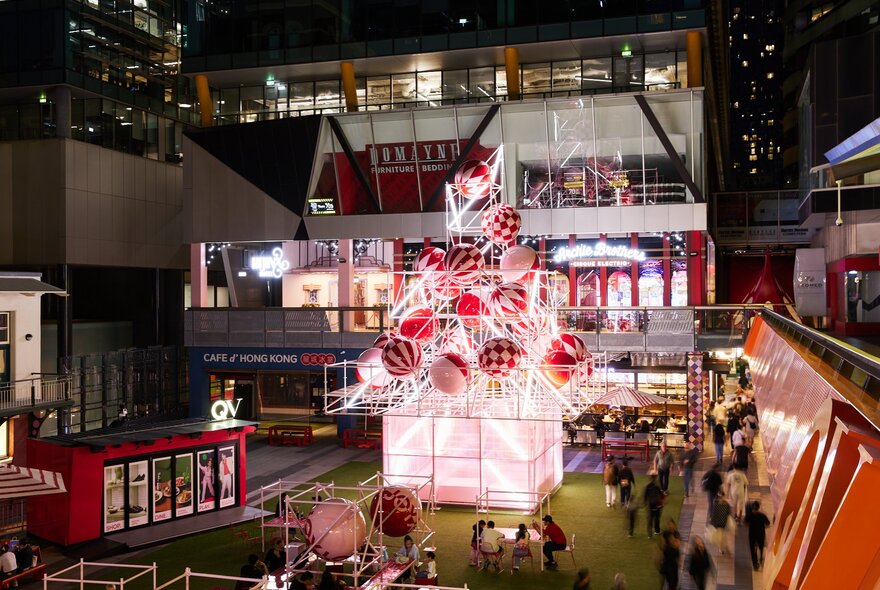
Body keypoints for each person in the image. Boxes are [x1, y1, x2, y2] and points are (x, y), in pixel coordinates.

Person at [747, 501, 771, 570]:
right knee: (761, 547)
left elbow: (745, 522)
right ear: (758, 508)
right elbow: (768, 523)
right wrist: (764, 526)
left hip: (752, 535)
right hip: (761, 534)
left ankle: (755, 564)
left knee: (752, 549)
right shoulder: (762, 515)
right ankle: (760, 559)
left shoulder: (750, 516)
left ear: (752, 508)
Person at [644, 474, 664, 538]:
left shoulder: (647, 486)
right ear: (655, 478)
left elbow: (645, 496)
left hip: (650, 505)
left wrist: (645, 503)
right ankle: (657, 530)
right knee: (657, 518)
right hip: (657, 505)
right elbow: (661, 495)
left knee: (650, 519)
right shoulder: (657, 486)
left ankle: (649, 534)